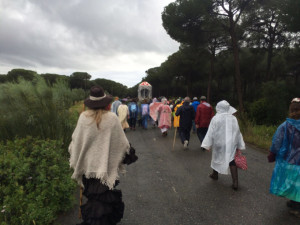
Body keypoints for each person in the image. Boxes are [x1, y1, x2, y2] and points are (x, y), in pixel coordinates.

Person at [69, 85, 138, 225]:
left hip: (88, 170)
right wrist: (126, 155)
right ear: (106, 103)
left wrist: (78, 160)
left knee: (95, 203)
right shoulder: (112, 118)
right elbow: (122, 144)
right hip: (105, 171)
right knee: (104, 206)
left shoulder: (83, 117)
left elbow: (75, 143)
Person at [201, 100, 245, 190]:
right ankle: (235, 182)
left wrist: (207, 144)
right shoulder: (233, 118)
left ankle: (215, 174)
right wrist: (239, 144)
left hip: (219, 143)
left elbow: (210, 132)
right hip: (231, 143)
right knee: (231, 160)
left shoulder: (216, 118)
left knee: (216, 157)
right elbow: (237, 132)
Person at [268, 97, 300, 218]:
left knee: (291, 182)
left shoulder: (285, 126)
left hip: (289, 160)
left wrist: (272, 153)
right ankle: (294, 202)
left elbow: (277, 141)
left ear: (290, 110)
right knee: (298, 183)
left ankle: (296, 207)